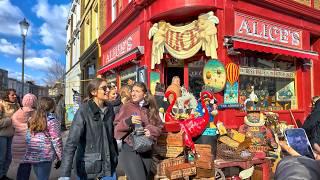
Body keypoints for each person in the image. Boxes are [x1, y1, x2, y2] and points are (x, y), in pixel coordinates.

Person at [60, 78, 118, 180]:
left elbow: (110, 135)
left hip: (109, 166)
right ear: (93, 92)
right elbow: (71, 143)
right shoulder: (83, 111)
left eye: (108, 87)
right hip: (89, 168)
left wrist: (114, 153)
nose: (108, 90)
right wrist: (65, 174)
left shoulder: (110, 108)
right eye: (104, 88)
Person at [114, 82, 163, 180]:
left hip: (146, 149)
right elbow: (116, 129)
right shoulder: (126, 107)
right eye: (132, 91)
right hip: (130, 148)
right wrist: (128, 122)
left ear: (144, 94)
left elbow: (159, 126)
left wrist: (150, 131)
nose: (133, 94)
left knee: (147, 177)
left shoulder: (151, 108)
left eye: (137, 91)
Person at [24, 97, 62, 180]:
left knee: (40, 177)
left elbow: (27, 137)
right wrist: (60, 156)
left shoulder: (32, 119)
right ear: (52, 107)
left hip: (33, 153)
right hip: (45, 154)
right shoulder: (52, 120)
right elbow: (56, 140)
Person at [11, 93, 37, 180]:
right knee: (27, 165)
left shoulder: (17, 112)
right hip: (29, 142)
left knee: (22, 164)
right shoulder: (35, 113)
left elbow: (14, 125)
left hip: (18, 141)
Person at [0, 89, 20, 180]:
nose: (15, 96)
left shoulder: (17, 105)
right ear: (7, 96)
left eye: (15, 95)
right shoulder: (1, 104)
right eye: (13, 95)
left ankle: (3, 175)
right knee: (1, 158)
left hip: (12, 135)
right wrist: (11, 120)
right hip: (2, 135)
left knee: (9, 158)